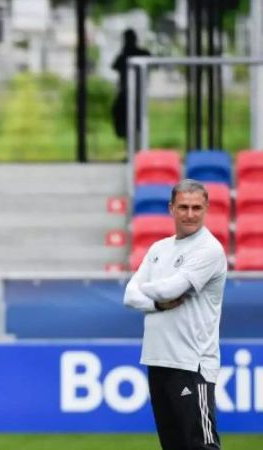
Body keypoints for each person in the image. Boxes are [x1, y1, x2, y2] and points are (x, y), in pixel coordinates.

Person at [123, 179, 226, 450]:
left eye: (196, 208)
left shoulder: (209, 249)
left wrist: (143, 290)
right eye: (183, 207)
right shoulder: (159, 249)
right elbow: (128, 296)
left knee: (201, 445)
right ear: (171, 208)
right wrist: (156, 303)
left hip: (192, 364)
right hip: (158, 360)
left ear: (206, 209)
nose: (190, 214)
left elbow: (173, 288)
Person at [112, 28, 151, 139]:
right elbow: (115, 66)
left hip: (136, 91)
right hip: (126, 91)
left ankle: (137, 146)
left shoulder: (141, 54)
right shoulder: (126, 54)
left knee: (136, 119)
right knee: (123, 116)